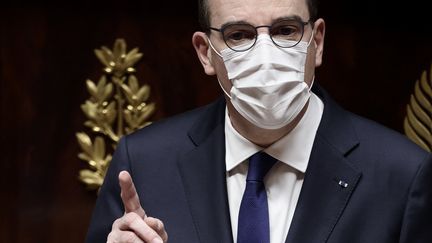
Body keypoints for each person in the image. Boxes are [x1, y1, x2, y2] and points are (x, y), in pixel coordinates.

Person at [85, 0, 432, 242]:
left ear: (318, 41)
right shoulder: (144, 164)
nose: (265, 56)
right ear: (206, 52)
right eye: (239, 35)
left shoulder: (403, 175)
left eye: (286, 30)